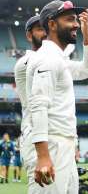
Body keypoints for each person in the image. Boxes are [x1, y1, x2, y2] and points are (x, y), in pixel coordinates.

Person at [26, 0, 88, 193]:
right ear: (52, 24)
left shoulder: (59, 59)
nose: (76, 24)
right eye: (70, 20)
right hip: (52, 146)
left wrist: (87, 33)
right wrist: (43, 156)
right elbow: (39, 106)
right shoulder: (47, 58)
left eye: (76, 20)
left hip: (63, 146)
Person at [14, 15, 47, 183]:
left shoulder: (53, 58)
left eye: (47, 29)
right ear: (29, 35)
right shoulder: (24, 62)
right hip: (34, 133)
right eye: (40, 29)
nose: (45, 33)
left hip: (52, 134)